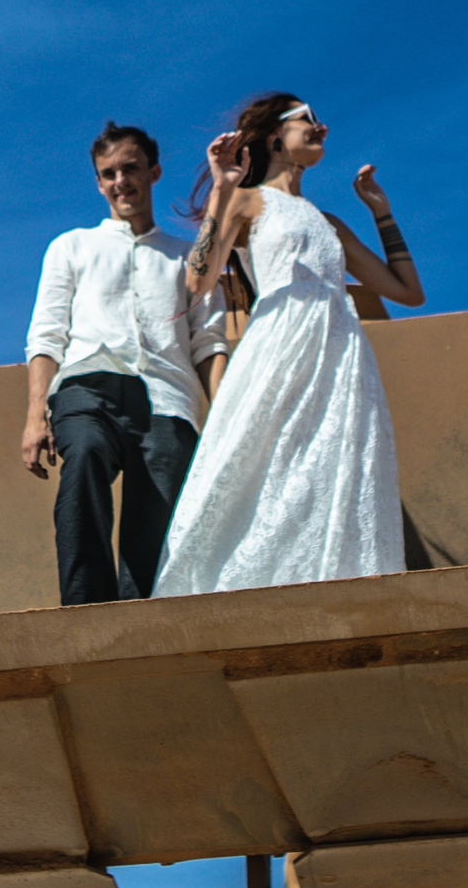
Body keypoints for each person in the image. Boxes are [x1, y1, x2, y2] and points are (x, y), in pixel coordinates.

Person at [152, 92, 424, 596]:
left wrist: (381, 212)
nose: (320, 127)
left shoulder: (330, 223)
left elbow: (408, 293)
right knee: (267, 455)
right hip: (280, 338)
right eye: (307, 120)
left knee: (334, 459)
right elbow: (197, 281)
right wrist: (221, 188)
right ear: (276, 135)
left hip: (340, 350)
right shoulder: (250, 201)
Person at [21, 122, 230, 605]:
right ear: (98, 182)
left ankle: (137, 622)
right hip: (86, 388)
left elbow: (208, 340)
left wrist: (222, 415)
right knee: (85, 462)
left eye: (130, 169)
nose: (121, 182)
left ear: (153, 172)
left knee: (154, 526)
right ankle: (84, 609)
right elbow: (46, 334)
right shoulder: (71, 246)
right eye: (108, 173)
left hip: (168, 400)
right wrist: (35, 415)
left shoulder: (187, 259)